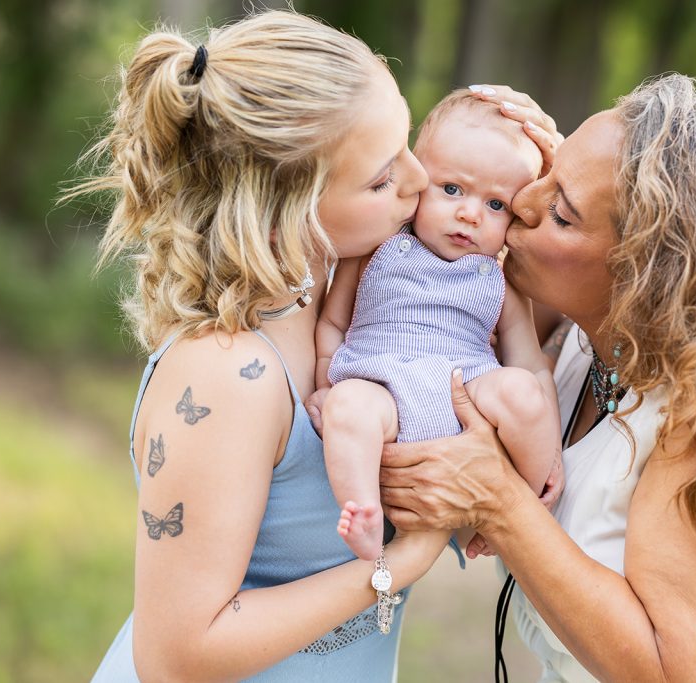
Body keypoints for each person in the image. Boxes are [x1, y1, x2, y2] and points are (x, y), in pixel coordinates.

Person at [63, 11, 559, 681]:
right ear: (289, 212)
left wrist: (544, 179)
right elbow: (176, 653)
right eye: (383, 178)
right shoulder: (227, 373)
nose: (419, 181)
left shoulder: (358, 297)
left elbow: (525, 340)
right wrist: (397, 565)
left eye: (408, 145)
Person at [379, 74, 696, 682]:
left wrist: (500, 503)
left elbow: (675, 674)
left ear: (645, 280)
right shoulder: (586, 331)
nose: (521, 201)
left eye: (560, 213)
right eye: (542, 174)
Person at [307, 89, 561, 562]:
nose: (470, 213)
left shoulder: (499, 277)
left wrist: (550, 448)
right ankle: (362, 512)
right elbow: (333, 322)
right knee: (347, 407)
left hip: (467, 396)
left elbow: (529, 361)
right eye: (452, 190)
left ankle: (515, 506)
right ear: (417, 180)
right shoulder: (377, 246)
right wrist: (326, 378)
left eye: (496, 205)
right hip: (382, 388)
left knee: (525, 394)